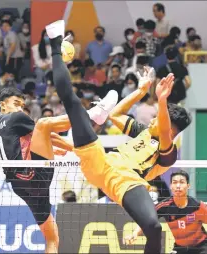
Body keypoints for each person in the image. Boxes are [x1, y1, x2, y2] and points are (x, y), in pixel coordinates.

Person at [45, 20, 191, 254]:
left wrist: (162, 100)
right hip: (100, 162)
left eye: (158, 117)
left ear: (172, 129)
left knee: (153, 227)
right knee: (72, 104)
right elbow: (116, 114)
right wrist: (140, 91)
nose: (152, 119)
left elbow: (163, 128)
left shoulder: (167, 152)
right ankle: (53, 43)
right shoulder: (142, 132)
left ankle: (95, 115)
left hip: (126, 181)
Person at [0, 83, 113, 253]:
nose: (20, 108)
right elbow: (46, 130)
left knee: (52, 238)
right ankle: (93, 114)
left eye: (22, 105)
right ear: (3, 104)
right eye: (15, 103)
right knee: (44, 122)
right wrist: (77, 149)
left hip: (20, 186)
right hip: (32, 176)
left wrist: (59, 148)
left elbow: (34, 141)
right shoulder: (14, 118)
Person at [124, 170, 207, 254]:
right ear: (171, 186)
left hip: (201, 247)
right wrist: (135, 233)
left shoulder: (197, 206)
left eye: (182, 182)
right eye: (174, 182)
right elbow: (147, 219)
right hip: (180, 248)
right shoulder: (164, 206)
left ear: (188, 186)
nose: (178, 186)